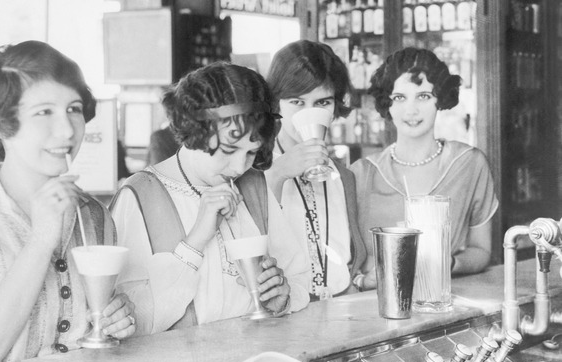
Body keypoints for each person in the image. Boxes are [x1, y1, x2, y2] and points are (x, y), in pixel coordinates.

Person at [0, 41, 136, 362]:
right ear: (0, 124)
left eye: (74, 109)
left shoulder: (93, 214)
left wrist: (117, 318)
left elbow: (94, 336)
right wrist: (40, 241)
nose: (67, 130)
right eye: (44, 112)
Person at [111, 62, 311, 335]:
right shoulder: (140, 195)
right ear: (194, 130)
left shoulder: (253, 185)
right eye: (229, 149)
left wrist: (282, 296)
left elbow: (299, 277)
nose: (240, 167)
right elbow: (132, 322)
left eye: (251, 152)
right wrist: (195, 242)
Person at [350, 47, 498, 290]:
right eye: (400, 97)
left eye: (423, 96)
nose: (411, 110)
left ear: (440, 99)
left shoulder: (469, 164)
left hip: (441, 304)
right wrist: (362, 281)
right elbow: (341, 261)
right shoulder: (362, 172)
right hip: (374, 308)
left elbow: (481, 250)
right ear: (387, 104)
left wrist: (446, 263)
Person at [265, 40, 366, 299]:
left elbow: (348, 258)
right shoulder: (254, 170)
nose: (310, 113)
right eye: (297, 102)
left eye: (322, 103)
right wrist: (277, 174)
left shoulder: (343, 177)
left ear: (334, 108)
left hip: (340, 315)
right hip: (282, 319)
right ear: (276, 105)